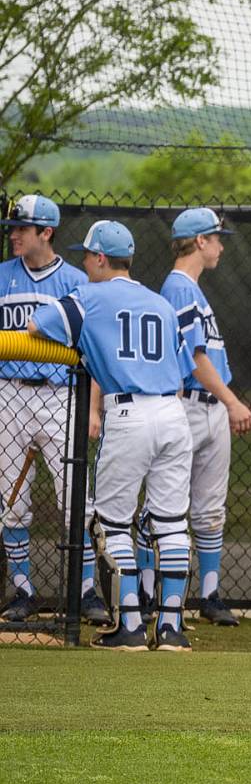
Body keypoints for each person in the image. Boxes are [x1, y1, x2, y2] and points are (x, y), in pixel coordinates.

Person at [29, 220, 196, 651]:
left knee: (114, 524)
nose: (84, 263)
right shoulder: (160, 302)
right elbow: (183, 367)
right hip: (174, 411)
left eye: (87, 256)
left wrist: (85, 344)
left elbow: (36, 326)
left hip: (129, 411)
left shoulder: (89, 296)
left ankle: (132, 628)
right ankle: (172, 629)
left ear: (101, 258)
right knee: (172, 522)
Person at [0, 195, 108, 625]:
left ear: (46, 232)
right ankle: (23, 590)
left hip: (61, 396)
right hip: (8, 392)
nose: (13, 234)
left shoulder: (76, 281)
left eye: (22, 228)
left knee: (75, 500)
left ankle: (84, 590)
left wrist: (93, 408)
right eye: (13, 228)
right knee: (10, 500)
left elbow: (94, 350)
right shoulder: (2, 275)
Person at [158, 208, 251, 628]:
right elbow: (195, 360)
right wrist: (234, 401)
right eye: (217, 238)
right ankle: (154, 594)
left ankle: (210, 595)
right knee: (168, 506)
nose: (220, 245)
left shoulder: (194, 289)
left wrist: (226, 403)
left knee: (210, 509)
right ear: (200, 241)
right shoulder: (179, 288)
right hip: (190, 405)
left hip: (210, 407)